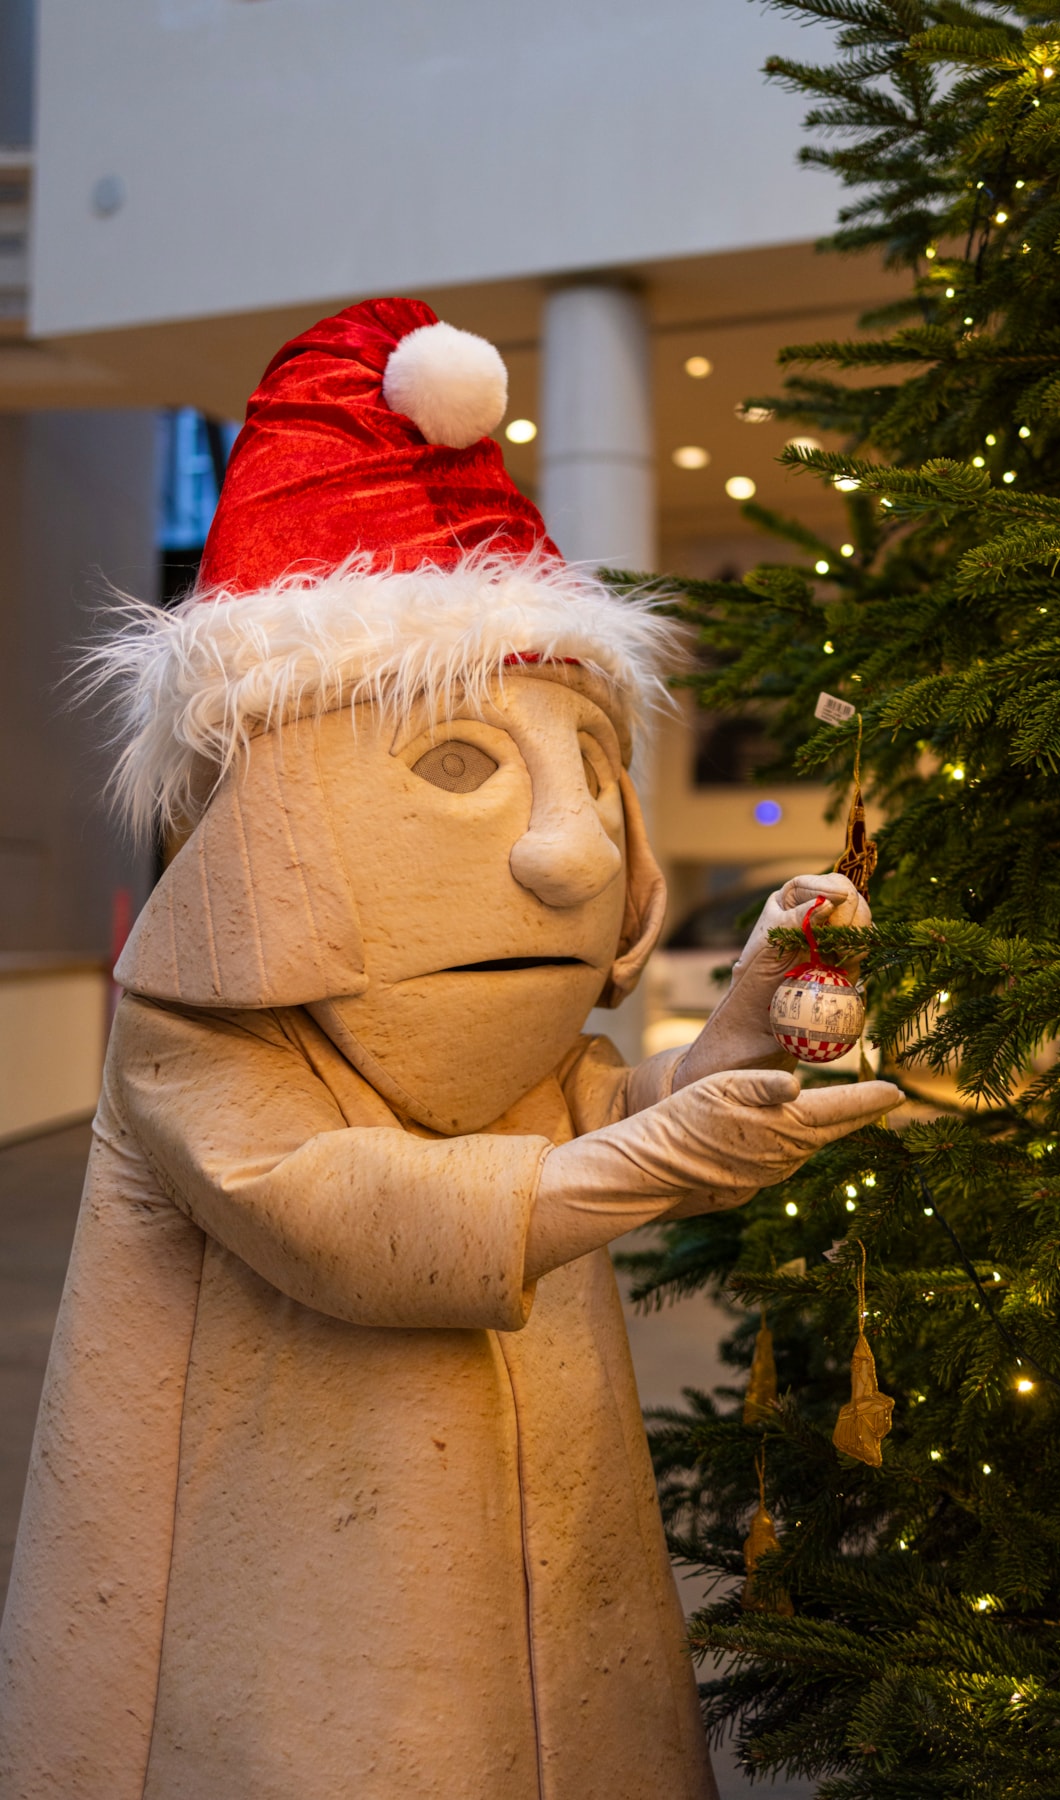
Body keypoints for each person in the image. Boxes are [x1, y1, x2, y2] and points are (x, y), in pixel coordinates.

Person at [0, 298, 900, 1800]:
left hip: (561, 1576)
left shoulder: (523, 1038)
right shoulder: (188, 1031)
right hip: (295, 1620)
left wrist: (722, 1048)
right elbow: (341, 1216)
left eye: (584, 772)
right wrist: (638, 1162)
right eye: (464, 764)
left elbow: (581, 1118)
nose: (570, 847)